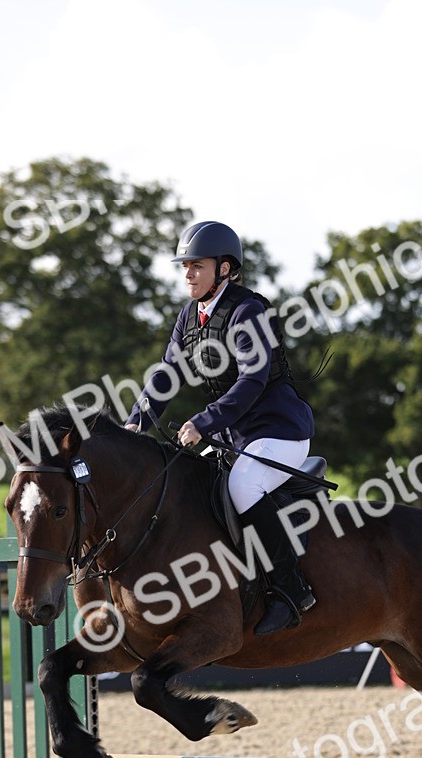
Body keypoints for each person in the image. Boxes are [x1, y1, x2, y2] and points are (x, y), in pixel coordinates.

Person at [126, 220, 316, 636]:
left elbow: (252, 379)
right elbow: (166, 373)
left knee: (242, 487)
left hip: (279, 432)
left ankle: (291, 587)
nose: (188, 273)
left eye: (197, 265)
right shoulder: (189, 317)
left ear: (225, 269)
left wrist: (203, 421)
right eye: (185, 266)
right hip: (236, 436)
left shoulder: (249, 310)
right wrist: (136, 420)